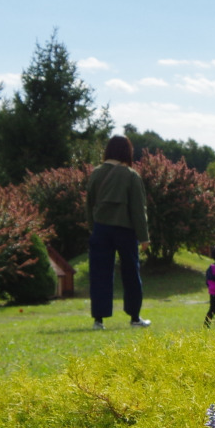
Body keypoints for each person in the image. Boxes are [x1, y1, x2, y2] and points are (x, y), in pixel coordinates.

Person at [85, 134, 151, 330]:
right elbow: (138, 210)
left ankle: (98, 319)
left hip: (100, 229)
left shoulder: (96, 173)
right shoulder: (131, 175)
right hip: (126, 230)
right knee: (131, 273)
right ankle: (134, 317)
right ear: (127, 152)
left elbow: (89, 204)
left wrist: (93, 227)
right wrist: (144, 236)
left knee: (99, 274)